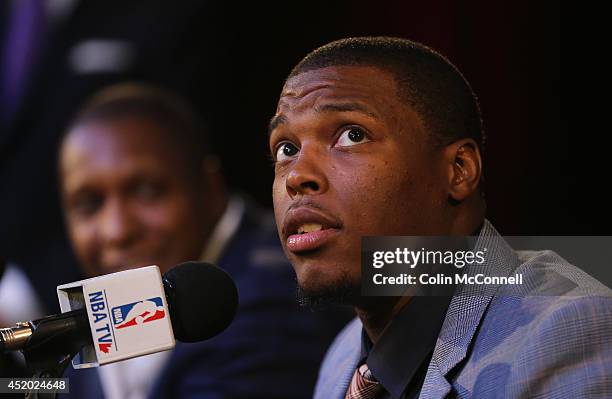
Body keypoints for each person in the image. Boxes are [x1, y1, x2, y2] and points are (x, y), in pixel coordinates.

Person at [268, 37, 612, 398]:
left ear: (458, 171)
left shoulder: (565, 332)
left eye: (352, 135)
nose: (296, 176)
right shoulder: (341, 359)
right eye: (286, 149)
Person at [57, 83, 352, 399]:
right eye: (89, 204)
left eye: (146, 191)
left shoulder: (277, 298)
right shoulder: (110, 298)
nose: (117, 231)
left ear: (210, 189)